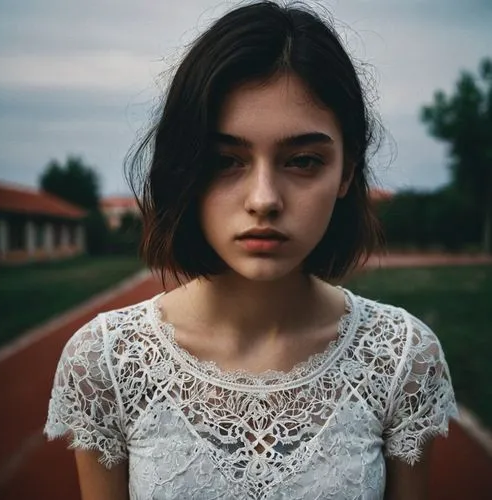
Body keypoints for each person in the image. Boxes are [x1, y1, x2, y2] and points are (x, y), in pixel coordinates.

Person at [44, 2, 459, 499]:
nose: (264, 199)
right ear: (185, 168)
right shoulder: (106, 362)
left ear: (347, 171)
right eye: (225, 161)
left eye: (303, 160)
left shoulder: (402, 361)